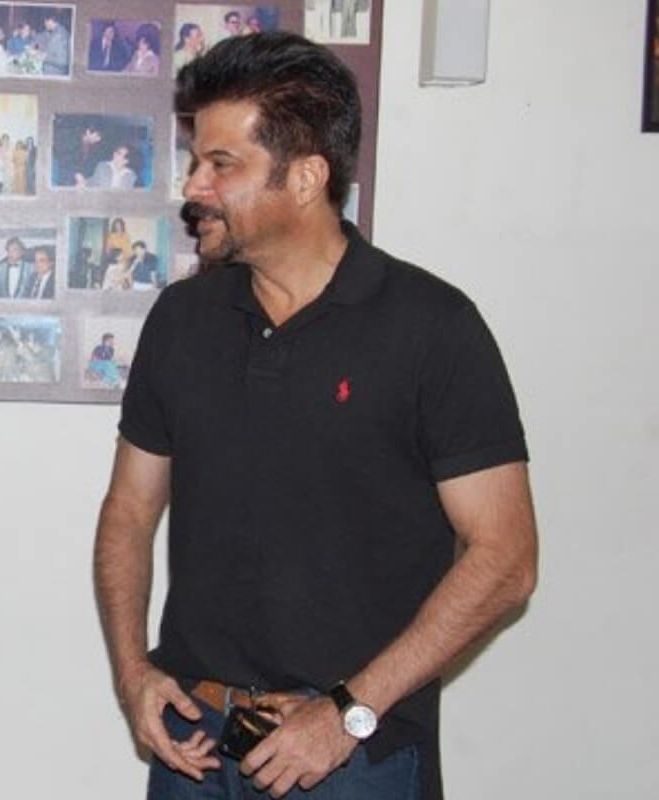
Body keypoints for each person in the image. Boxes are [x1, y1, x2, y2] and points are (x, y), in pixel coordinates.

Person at [94, 32, 538, 800]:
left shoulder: (432, 327)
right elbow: (130, 510)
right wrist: (134, 675)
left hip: (354, 760)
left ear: (305, 177)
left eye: (221, 164)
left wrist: (349, 713)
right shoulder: (181, 319)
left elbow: (506, 558)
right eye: (196, 161)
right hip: (194, 745)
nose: (194, 186)